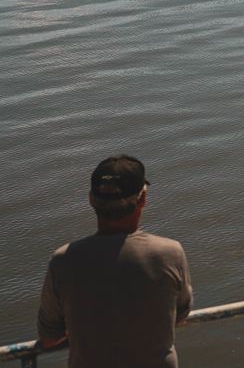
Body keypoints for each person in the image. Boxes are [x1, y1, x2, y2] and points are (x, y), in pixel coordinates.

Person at [37, 155, 193, 367]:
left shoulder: (63, 260)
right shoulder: (169, 253)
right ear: (142, 199)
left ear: (91, 199)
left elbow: (49, 338)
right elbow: (180, 316)